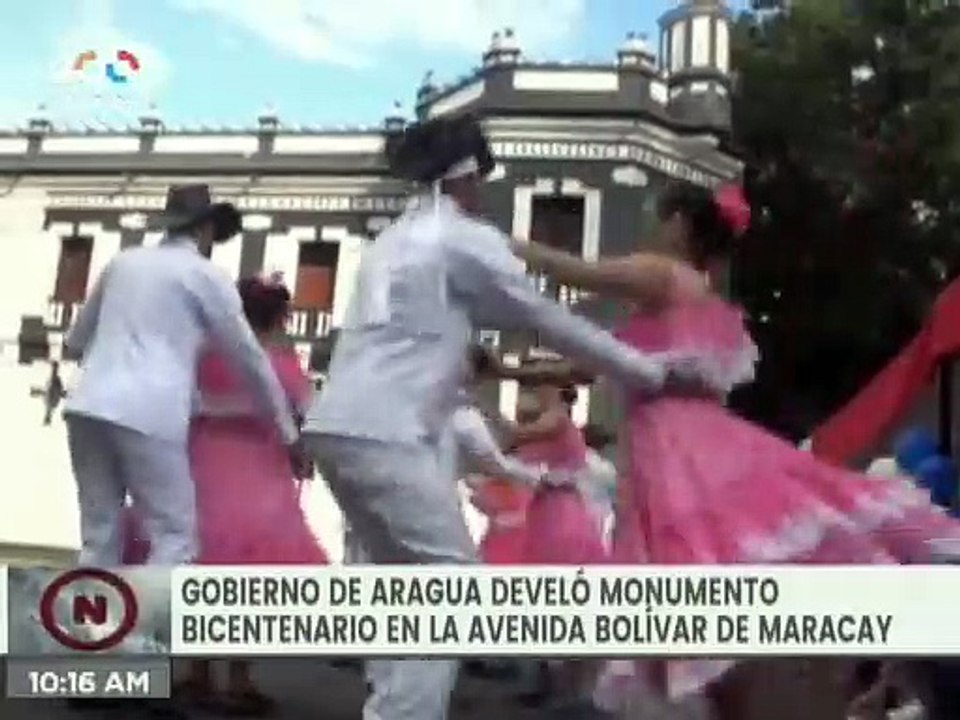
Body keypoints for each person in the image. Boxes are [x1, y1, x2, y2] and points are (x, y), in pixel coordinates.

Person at [304, 114, 712, 720]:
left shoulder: (393, 239)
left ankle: (390, 704)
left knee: (403, 587)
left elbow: (419, 331)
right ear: (467, 176)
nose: (486, 192)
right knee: (451, 584)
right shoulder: (463, 237)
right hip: (386, 430)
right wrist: (647, 371)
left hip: (339, 426)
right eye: (484, 178)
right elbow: (544, 315)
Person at [511, 180, 960, 719]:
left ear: (680, 225)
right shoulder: (691, 299)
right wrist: (502, 369)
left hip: (681, 458)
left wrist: (495, 246)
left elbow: (573, 270)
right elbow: (583, 366)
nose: (654, 229)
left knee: (695, 601)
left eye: (662, 218)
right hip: (688, 453)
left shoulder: (662, 275)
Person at [63, 184, 302, 566]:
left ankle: (92, 622)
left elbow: (75, 342)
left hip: (88, 404)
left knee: (99, 535)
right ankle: (152, 622)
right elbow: (249, 360)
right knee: (174, 537)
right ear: (205, 229)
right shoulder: (205, 275)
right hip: (149, 411)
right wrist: (288, 433)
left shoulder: (123, 262)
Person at [177, 274, 326, 715]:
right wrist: (304, 452)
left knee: (201, 563)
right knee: (252, 575)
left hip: (202, 463)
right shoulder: (282, 364)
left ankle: (196, 669)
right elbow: (309, 415)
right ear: (280, 317)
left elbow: (185, 403)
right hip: (260, 471)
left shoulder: (206, 356)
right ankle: (239, 677)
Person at [42, 360, 65, 425]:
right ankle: (55, 365)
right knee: (54, 375)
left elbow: (47, 394)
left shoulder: (49, 405)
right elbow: (56, 396)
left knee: (53, 375)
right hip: (54, 387)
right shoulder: (51, 405)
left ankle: (55, 365)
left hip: (53, 386)